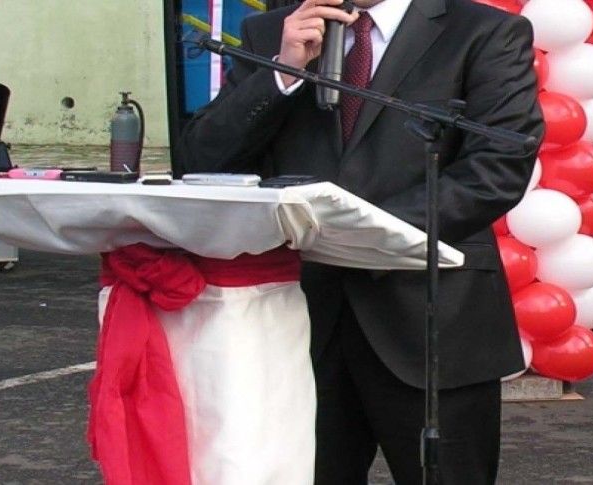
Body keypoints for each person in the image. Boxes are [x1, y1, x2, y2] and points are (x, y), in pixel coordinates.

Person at [178, 0, 543, 482]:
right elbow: (204, 157)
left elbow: (498, 167)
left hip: (431, 321)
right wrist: (283, 72)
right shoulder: (271, 34)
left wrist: (357, 231)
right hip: (300, 322)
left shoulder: (483, 32)